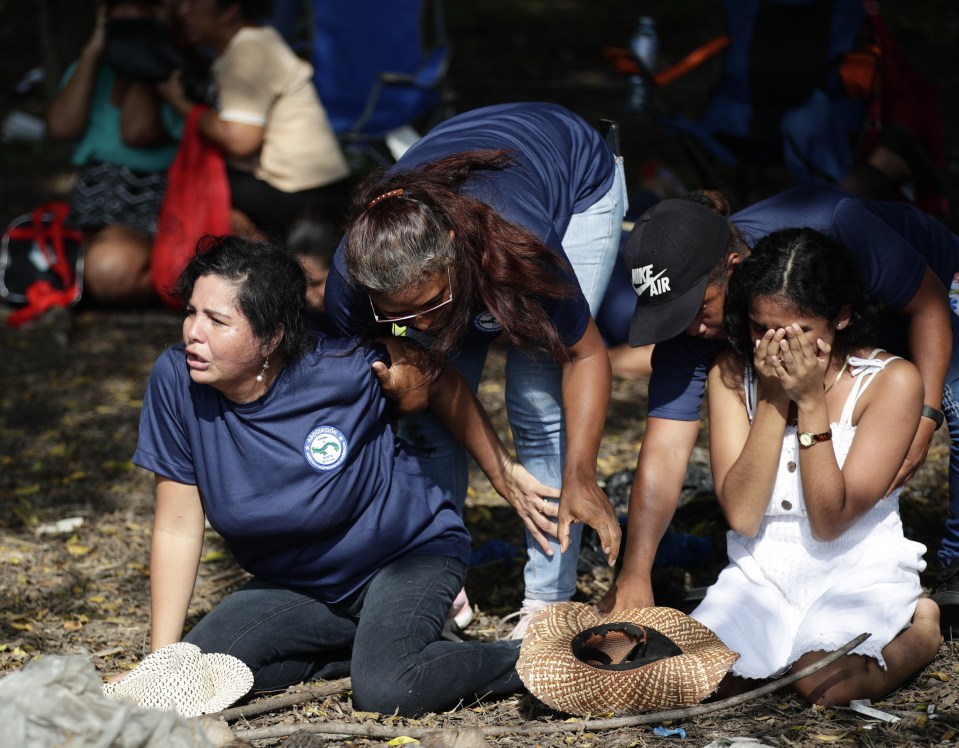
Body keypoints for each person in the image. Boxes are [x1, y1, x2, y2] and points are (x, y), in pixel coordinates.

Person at [129, 235, 563, 715]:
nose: (193, 331)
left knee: (386, 690)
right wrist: (162, 664)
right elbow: (176, 525)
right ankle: (373, 648)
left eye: (217, 320)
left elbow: (436, 379)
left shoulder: (343, 368)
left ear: (272, 337)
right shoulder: (175, 382)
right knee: (203, 675)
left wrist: (503, 471)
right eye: (191, 312)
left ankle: (527, 659)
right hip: (297, 582)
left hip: (405, 556)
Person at [324, 101, 627, 638]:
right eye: (397, 316)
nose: (421, 324)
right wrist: (501, 470)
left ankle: (548, 601)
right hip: (466, 214)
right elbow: (424, 386)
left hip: (574, 179)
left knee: (537, 393)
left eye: (431, 303)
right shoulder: (352, 279)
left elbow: (585, 355)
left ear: (450, 250)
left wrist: (581, 473)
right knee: (415, 410)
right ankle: (436, 579)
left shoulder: (518, 248)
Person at [596, 185, 959, 632]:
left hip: (925, 287)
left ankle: (954, 560)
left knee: (953, 400)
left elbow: (929, 306)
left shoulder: (835, 223)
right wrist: (636, 572)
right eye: (671, 315)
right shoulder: (692, 329)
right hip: (820, 326)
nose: (689, 327)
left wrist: (925, 419)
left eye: (696, 308)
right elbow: (666, 448)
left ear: (733, 271)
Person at [691, 227, 941, 704]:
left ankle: (923, 631)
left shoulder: (893, 382)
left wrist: (810, 404)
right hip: (760, 568)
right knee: (703, 680)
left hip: (856, 561)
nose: (780, 347)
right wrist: (771, 398)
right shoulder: (730, 375)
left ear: (841, 317)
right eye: (762, 329)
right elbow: (743, 515)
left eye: (801, 332)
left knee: (824, 684)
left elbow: (830, 521)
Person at [158, 0, 351, 240]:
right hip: (309, 187)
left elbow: (240, 140)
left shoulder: (247, 50)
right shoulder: (249, 43)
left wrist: (178, 103)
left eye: (194, 3)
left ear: (229, 9)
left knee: (207, 191)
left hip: (305, 194)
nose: (182, 11)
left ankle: (269, 269)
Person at [46, 0, 184, 305]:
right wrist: (94, 48)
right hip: (91, 203)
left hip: (148, 203)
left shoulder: (172, 73)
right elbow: (59, 127)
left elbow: (136, 131)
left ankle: (178, 280)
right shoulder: (92, 70)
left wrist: (147, 47)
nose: (129, 17)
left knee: (110, 271)